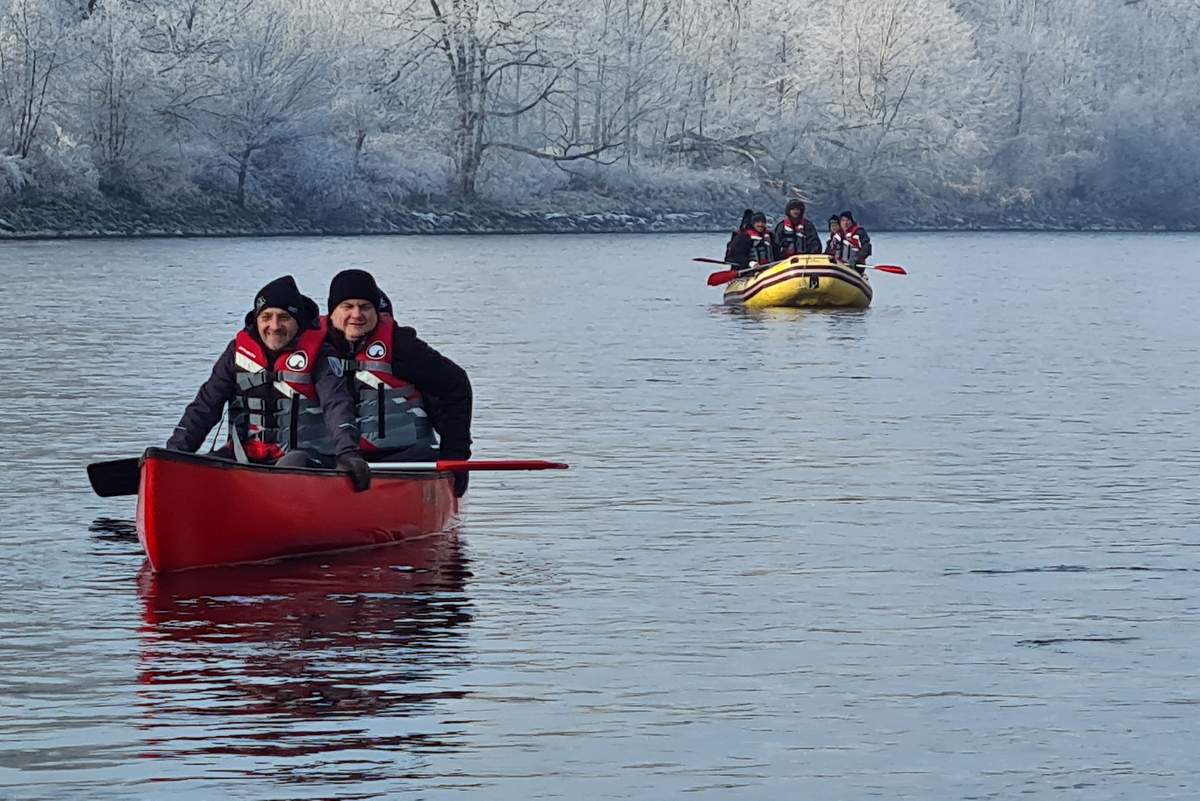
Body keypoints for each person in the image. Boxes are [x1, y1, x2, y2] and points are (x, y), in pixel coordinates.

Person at [166, 275, 372, 491]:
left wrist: (348, 452)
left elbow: (337, 405)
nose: (274, 326)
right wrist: (173, 455)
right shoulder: (236, 352)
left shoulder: (322, 354)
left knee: (292, 463)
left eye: (283, 318)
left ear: (298, 321)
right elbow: (205, 406)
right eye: (267, 317)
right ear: (257, 320)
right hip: (245, 455)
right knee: (202, 466)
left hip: (307, 458)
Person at [323, 269, 473, 497]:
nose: (356, 314)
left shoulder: (402, 346)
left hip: (404, 458)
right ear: (332, 312)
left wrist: (455, 454)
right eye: (347, 307)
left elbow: (456, 385)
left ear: (376, 311)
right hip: (335, 459)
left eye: (365, 307)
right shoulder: (312, 349)